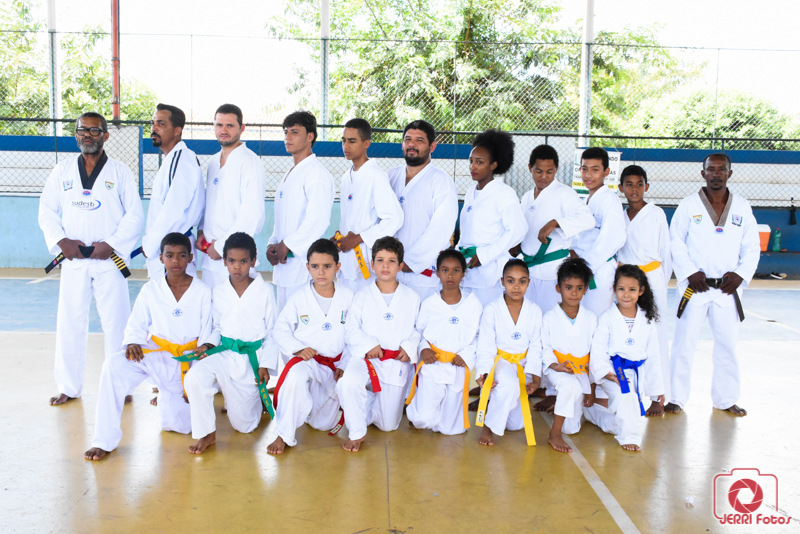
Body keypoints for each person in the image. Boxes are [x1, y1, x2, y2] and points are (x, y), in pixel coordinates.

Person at [38, 111, 144, 405]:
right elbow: (46, 210)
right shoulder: (61, 171)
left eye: (94, 130)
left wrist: (112, 244)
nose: (87, 135)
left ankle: (121, 385)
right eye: (82, 130)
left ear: (106, 135)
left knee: (117, 323)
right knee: (70, 322)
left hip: (109, 260)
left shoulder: (120, 172)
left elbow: (134, 216)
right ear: (75, 135)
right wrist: (61, 242)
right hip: (74, 260)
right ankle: (69, 386)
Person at [84, 233, 213, 460]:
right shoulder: (150, 289)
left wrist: (198, 374)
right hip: (155, 354)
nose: (175, 261)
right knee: (112, 366)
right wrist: (133, 341)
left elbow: (208, 331)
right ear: (161, 259)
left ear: (191, 258)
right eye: (169, 255)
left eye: (181, 255)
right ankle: (103, 441)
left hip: (187, 360)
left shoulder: (202, 291)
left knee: (178, 426)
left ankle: (170, 397)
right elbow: (136, 323)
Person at [666, 154, 760, 417]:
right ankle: (675, 397)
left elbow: (752, 246)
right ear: (703, 173)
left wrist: (740, 275)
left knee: (727, 346)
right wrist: (689, 272)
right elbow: (675, 241)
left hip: (727, 289)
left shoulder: (742, 207)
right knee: (684, 344)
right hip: (695, 288)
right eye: (711, 169)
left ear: (730, 173)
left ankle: (726, 399)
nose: (716, 174)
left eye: (721, 169)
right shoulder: (688, 205)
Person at [184, 232, 278, 454]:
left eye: (243, 261)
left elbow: (272, 332)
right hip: (224, 354)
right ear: (225, 261)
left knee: (245, 426)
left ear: (253, 261)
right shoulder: (219, 291)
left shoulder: (265, 291)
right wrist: (207, 345)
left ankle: (258, 399)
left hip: (250, 360)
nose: (237, 267)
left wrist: (265, 365)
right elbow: (217, 328)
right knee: (195, 376)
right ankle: (206, 433)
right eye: (232, 261)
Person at [267, 239, 354, 454]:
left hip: (334, 366)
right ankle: (283, 434)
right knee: (295, 378)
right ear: (307, 267)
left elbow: (355, 334)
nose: (321, 272)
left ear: (338, 267)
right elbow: (280, 329)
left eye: (327, 266)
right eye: (315, 266)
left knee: (321, 424)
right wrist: (298, 349)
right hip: (307, 361)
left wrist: (344, 364)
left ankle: (306, 408)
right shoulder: (299, 297)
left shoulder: (348, 296)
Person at [336, 236, 421, 452]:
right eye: (380, 260)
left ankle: (368, 399)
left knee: (388, 426)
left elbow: (418, 329)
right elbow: (351, 329)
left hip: (395, 363)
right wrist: (368, 345)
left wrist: (409, 347)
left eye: (392, 261)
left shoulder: (412, 297)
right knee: (348, 383)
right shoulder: (362, 296)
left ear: (400, 266)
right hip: (366, 360)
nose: (385, 266)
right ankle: (357, 433)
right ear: (372, 264)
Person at [584, 264, 664, 452]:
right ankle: (629, 438)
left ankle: (593, 414)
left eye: (632, 290)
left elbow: (653, 355)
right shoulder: (607, 317)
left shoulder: (647, 319)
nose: (626, 294)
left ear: (641, 291)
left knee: (627, 414)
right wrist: (607, 373)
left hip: (636, 372)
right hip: (613, 369)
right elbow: (598, 350)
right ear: (614, 289)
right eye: (621, 289)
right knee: (625, 397)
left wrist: (656, 390)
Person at [406, 249, 482, 435]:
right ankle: (418, 409)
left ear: (463, 274)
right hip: (434, 365)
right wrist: (424, 349)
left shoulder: (473, 304)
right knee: (424, 419)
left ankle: (442, 412)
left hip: (457, 367)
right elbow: (418, 331)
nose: (450, 275)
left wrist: (466, 355)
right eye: (445, 270)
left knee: (451, 430)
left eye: (456, 270)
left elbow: (479, 336)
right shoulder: (430, 304)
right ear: (437, 273)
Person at [616, 165, 673, 416]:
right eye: (629, 184)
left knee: (656, 336)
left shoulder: (656, 214)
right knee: (627, 333)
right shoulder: (619, 215)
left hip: (651, 278)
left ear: (646, 186)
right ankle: (624, 391)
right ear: (621, 188)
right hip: (625, 281)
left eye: (639, 184)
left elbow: (666, 253)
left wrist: (658, 282)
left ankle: (658, 395)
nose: (634, 189)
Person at [267, 111, 335, 309]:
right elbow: (281, 219)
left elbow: (318, 220)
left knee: (302, 317)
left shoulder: (316, 174)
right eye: (286, 132)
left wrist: (288, 244)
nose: (288, 137)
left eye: (294, 132)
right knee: (284, 318)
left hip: (302, 264)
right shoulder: (290, 174)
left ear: (310, 136)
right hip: (284, 263)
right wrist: (273, 243)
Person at [515, 144, 594, 314]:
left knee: (550, 319)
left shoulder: (565, 193)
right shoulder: (527, 197)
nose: (544, 176)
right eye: (538, 171)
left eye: (549, 172)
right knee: (529, 319)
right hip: (528, 271)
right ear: (530, 168)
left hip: (552, 272)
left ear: (556, 170)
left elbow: (588, 220)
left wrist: (556, 223)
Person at [474, 259, 542, 447]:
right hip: (500, 362)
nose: (516, 287)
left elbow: (536, 346)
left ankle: (498, 406)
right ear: (502, 281)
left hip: (522, 364)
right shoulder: (492, 309)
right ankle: (488, 427)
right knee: (509, 384)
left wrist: (536, 378)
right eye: (511, 281)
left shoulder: (534, 311)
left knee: (515, 425)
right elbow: (485, 345)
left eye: (522, 281)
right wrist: (484, 374)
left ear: (529, 283)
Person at [388, 120, 458, 302]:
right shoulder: (390, 176)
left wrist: (410, 262)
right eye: (407, 139)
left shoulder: (441, 181)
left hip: (422, 274)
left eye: (419, 140)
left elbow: (441, 228)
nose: (412, 144)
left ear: (432, 146)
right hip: (391, 270)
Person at [198, 104, 266, 289]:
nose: (224, 130)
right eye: (219, 125)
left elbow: (251, 214)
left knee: (235, 306)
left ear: (241, 128)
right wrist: (201, 231)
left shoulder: (249, 162)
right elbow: (210, 203)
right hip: (210, 255)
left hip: (235, 258)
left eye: (230, 125)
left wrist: (222, 247)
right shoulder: (213, 161)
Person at [457, 129, 528, 306]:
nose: (473, 167)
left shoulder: (504, 193)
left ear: (493, 165)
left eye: (479, 162)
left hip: (489, 272)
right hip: (467, 269)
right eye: (471, 161)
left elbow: (518, 230)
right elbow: (466, 232)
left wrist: (485, 255)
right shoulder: (471, 192)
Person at [335, 118, 404, 294]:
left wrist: (359, 238)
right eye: (344, 140)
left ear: (366, 143)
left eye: (352, 141)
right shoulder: (346, 177)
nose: (346, 146)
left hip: (365, 258)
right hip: (346, 257)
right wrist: (339, 236)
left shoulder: (376, 175)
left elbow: (394, 219)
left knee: (365, 303)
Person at [139, 104, 205, 279]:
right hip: (168, 249)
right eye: (153, 123)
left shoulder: (180, 159)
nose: (154, 128)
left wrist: (150, 246)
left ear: (177, 130)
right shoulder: (174, 159)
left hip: (172, 251)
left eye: (161, 124)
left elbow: (173, 211)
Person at [540, 258, 597, 452]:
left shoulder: (591, 318)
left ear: (585, 289)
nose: (574, 293)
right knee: (569, 386)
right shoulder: (549, 317)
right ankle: (554, 434)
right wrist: (555, 365)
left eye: (579, 288)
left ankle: (562, 406)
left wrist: (592, 386)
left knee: (571, 429)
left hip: (581, 371)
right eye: (568, 287)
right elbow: (545, 347)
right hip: (557, 368)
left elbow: (595, 354)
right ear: (558, 288)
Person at [570, 147, 626, 316]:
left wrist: (586, 265)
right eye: (584, 169)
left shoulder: (609, 199)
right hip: (580, 269)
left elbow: (614, 237)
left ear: (606, 172)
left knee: (596, 319)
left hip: (597, 270)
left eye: (595, 170)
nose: (588, 175)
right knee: (581, 319)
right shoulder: (583, 200)